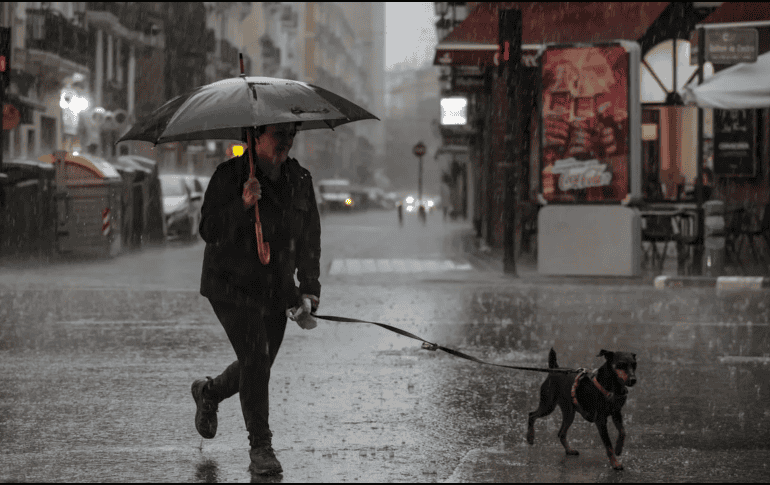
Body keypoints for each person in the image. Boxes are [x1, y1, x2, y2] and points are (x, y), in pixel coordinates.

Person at [191, 122, 321, 476]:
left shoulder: (300, 180)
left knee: (259, 364)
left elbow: (309, 237)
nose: (287, 141)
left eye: (292, 134)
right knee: (256, 358)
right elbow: (209, 230)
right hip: (230, 285)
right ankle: (260, 447)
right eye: (279, 133)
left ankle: (210, 392)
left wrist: (309, 289)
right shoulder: (229, 176)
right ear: (255, 136)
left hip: (275, 287)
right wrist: (243, 204)